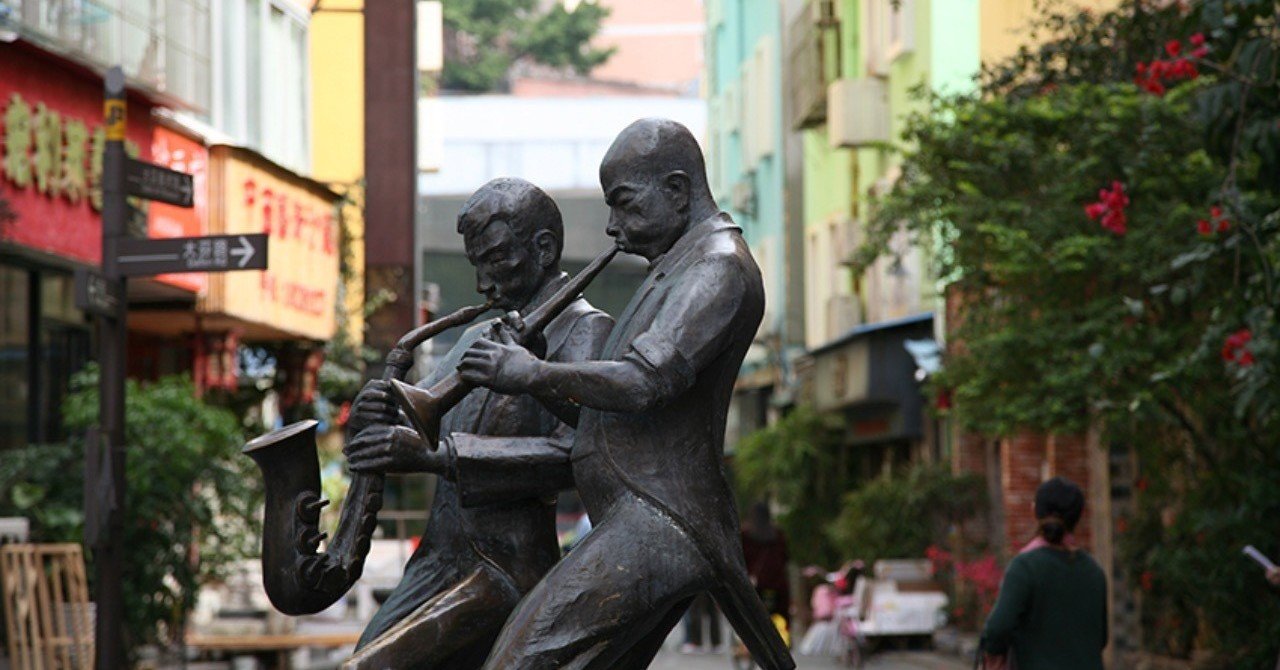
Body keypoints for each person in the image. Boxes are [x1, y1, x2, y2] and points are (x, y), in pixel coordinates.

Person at [456, 118, 794, 670]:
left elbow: (642, 383)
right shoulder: (677, 268)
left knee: (515, 662)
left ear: (678, 191)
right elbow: (604, 414)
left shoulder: (716, 268)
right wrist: (535, 362)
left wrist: (530, 374)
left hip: (659, 518)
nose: (613, 228)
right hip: (638, 515)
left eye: (625, 204)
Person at [341, 178, 613, 669]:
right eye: (476, 265)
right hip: (440, 563)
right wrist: (376, 415)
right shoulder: (479, 335)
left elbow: (574, 455)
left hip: (504, 570)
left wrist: (437, 458)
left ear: (544, 249)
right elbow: (419, 415)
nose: (484, 284)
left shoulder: (586, 330)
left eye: (495, 260)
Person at [980, 477, 1107, 670]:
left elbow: (997, 629)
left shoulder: (1025, 567)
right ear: (1080, 516)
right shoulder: (1094, 572)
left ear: (1033, 511)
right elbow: (1101, 637)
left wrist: (994, 655)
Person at [742, 502, 791, 630]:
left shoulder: (745, 535)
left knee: (753, 617)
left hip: (755, 586)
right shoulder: (778, 534)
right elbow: (785, 558)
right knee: (779, 616)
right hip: (778, 583)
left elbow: (742, 560)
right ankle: (782, 643)